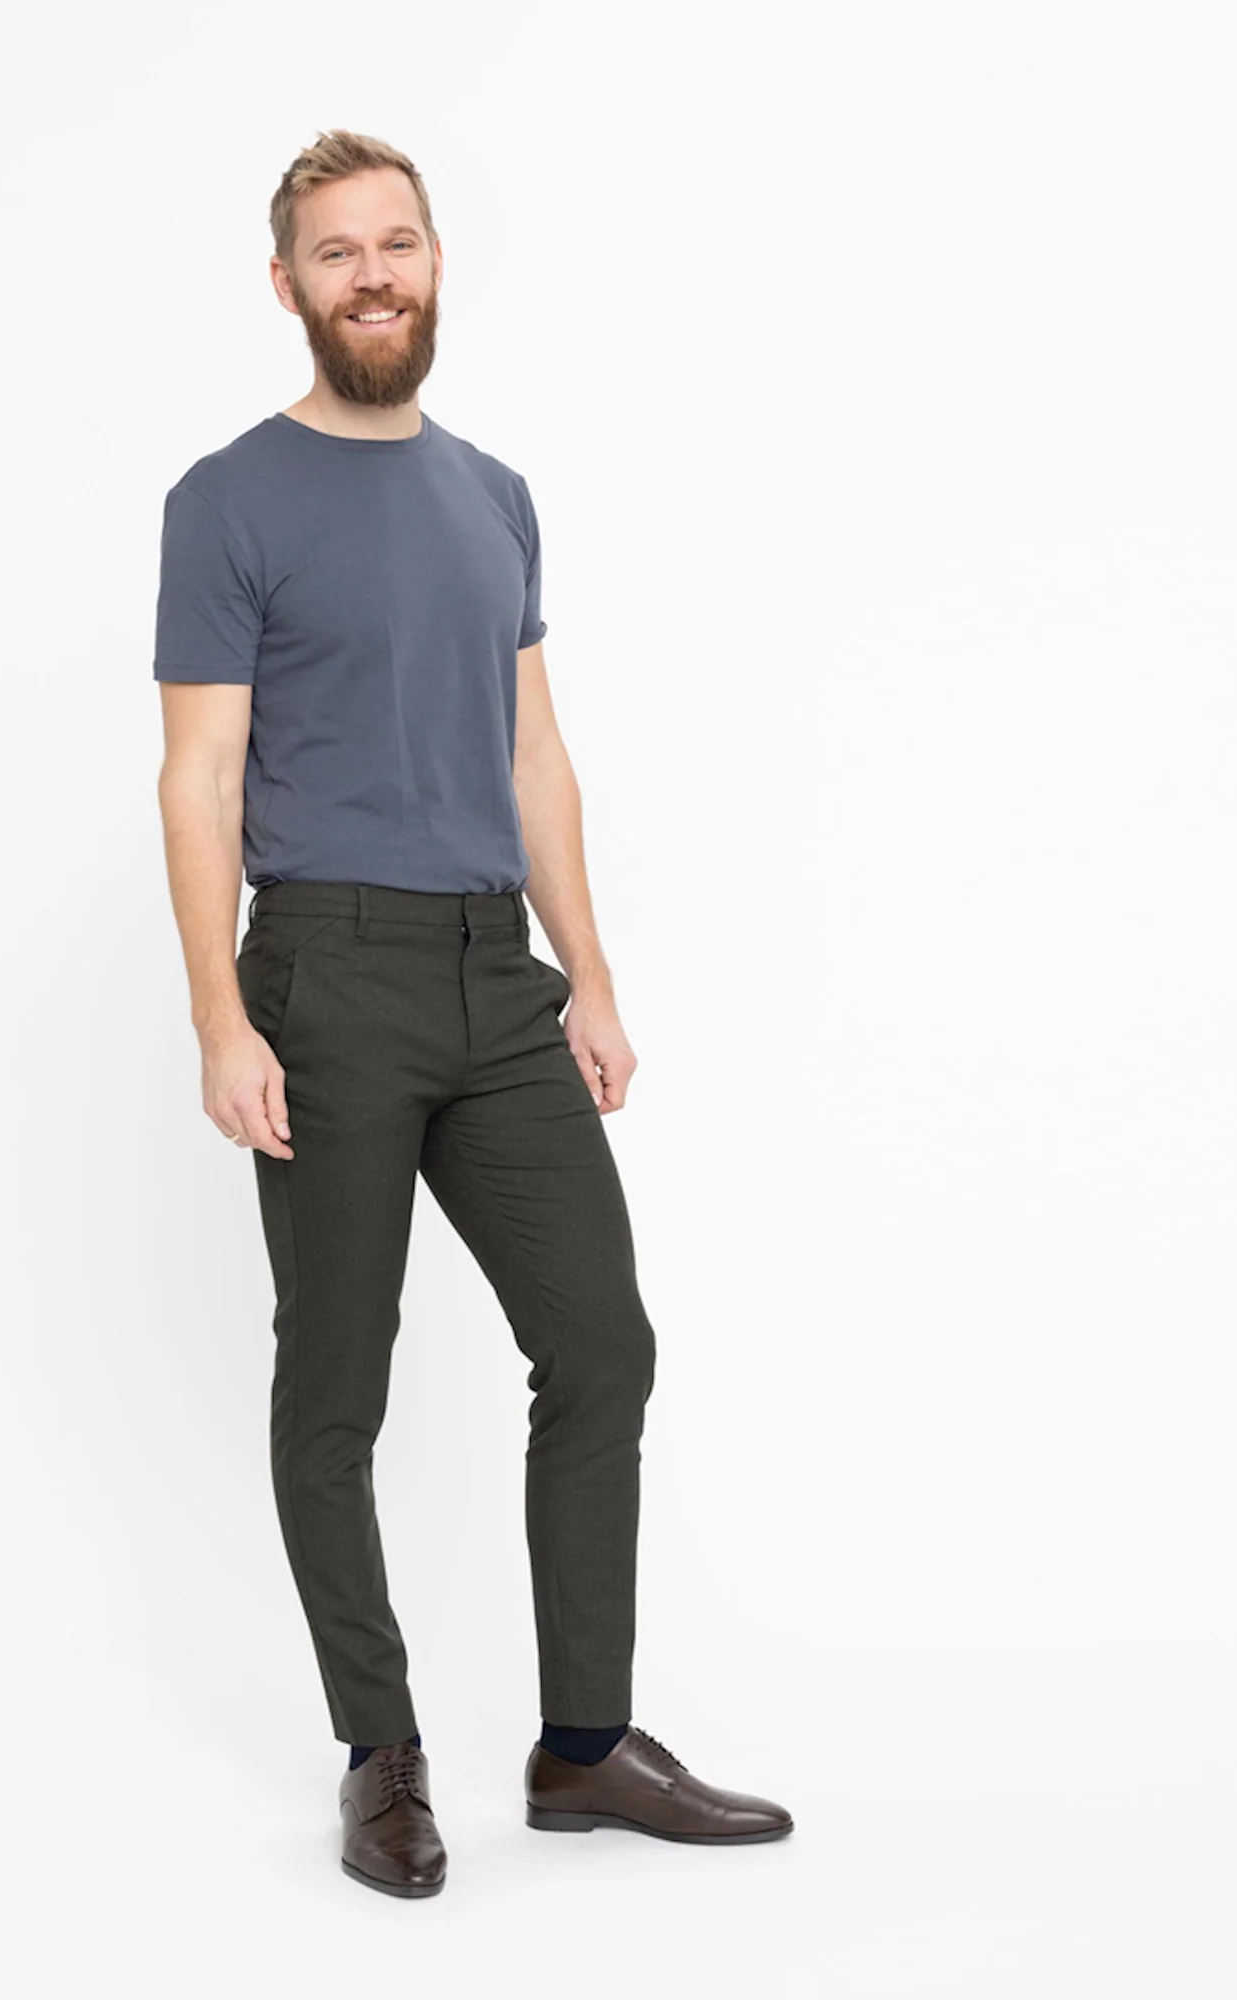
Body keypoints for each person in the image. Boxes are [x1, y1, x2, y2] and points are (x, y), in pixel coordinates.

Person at [151, 128, 793, 1897]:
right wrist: (220, 1019)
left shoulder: (495, 493)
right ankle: (381, 1753)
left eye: (399, 243)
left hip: (494, 977)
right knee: (335, 1387)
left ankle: (584, 1746)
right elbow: (200, 779)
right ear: (287, 285)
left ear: (437, 263)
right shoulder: (227, 499)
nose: (374, 274)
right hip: (327, 972)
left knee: (603, 1345)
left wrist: (590, 976)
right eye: (337, 252)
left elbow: (534, 753)